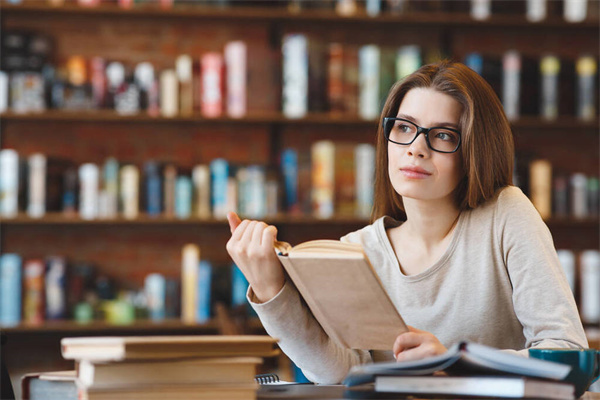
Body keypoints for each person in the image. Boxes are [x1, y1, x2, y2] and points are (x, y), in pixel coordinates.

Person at [225, 60, 588, 384]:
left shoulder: (506, 215)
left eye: (443, 135)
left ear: (475, 150)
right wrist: (271, 289)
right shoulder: (357, 249)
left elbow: (568, 354)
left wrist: (453, 364)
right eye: (403, 128)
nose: (416, 147)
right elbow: (340, 373)